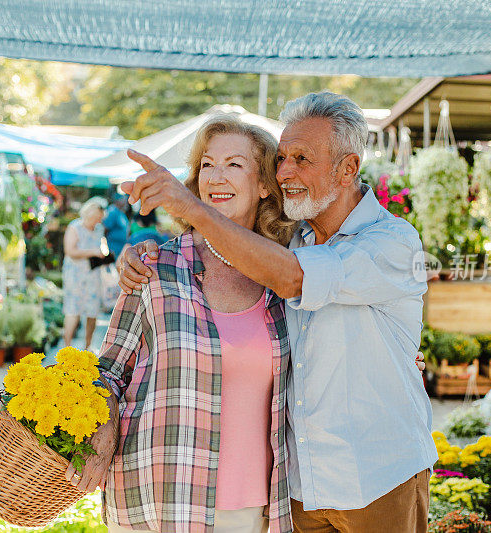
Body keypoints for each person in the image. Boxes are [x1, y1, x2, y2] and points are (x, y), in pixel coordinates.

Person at [118, 91, 437, 532]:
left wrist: (190, 206)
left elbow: (294, 279)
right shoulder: (288, 242)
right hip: (301, 487)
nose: (285, 172)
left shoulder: (392, 243)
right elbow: (234, 254)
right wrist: (145, 252)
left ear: (348, 168)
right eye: (282, 158)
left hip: (377, 478)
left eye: (302, 159)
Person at [69, 116, 296, 533]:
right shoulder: (155, 266)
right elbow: (109, 369)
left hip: (249, 507)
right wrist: (100, 426)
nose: (216, 176)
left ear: (265, 185)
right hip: (156, 496)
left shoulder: (286, 278)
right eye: (207, 164)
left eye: (234, 164)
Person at [62, 196, 110, 350]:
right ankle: (66, 348)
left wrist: (104, 253)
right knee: (73, 310)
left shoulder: (99, 229)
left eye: (100, 218)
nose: (98, 221)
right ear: (89, 214)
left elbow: (102, 246)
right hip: (75, 275)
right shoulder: (74, 227)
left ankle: (87, 347)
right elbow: (69, 251)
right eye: (96, 218)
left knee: (92, 311)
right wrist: (93, 252)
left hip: (93, 275)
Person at [104, 194, 130, 258]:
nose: (126, 201)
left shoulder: (121, 212)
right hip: (113, 248)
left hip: (120, 248)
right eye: (123, 199)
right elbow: (105, 229)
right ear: (118, 200)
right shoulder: (112, 212)